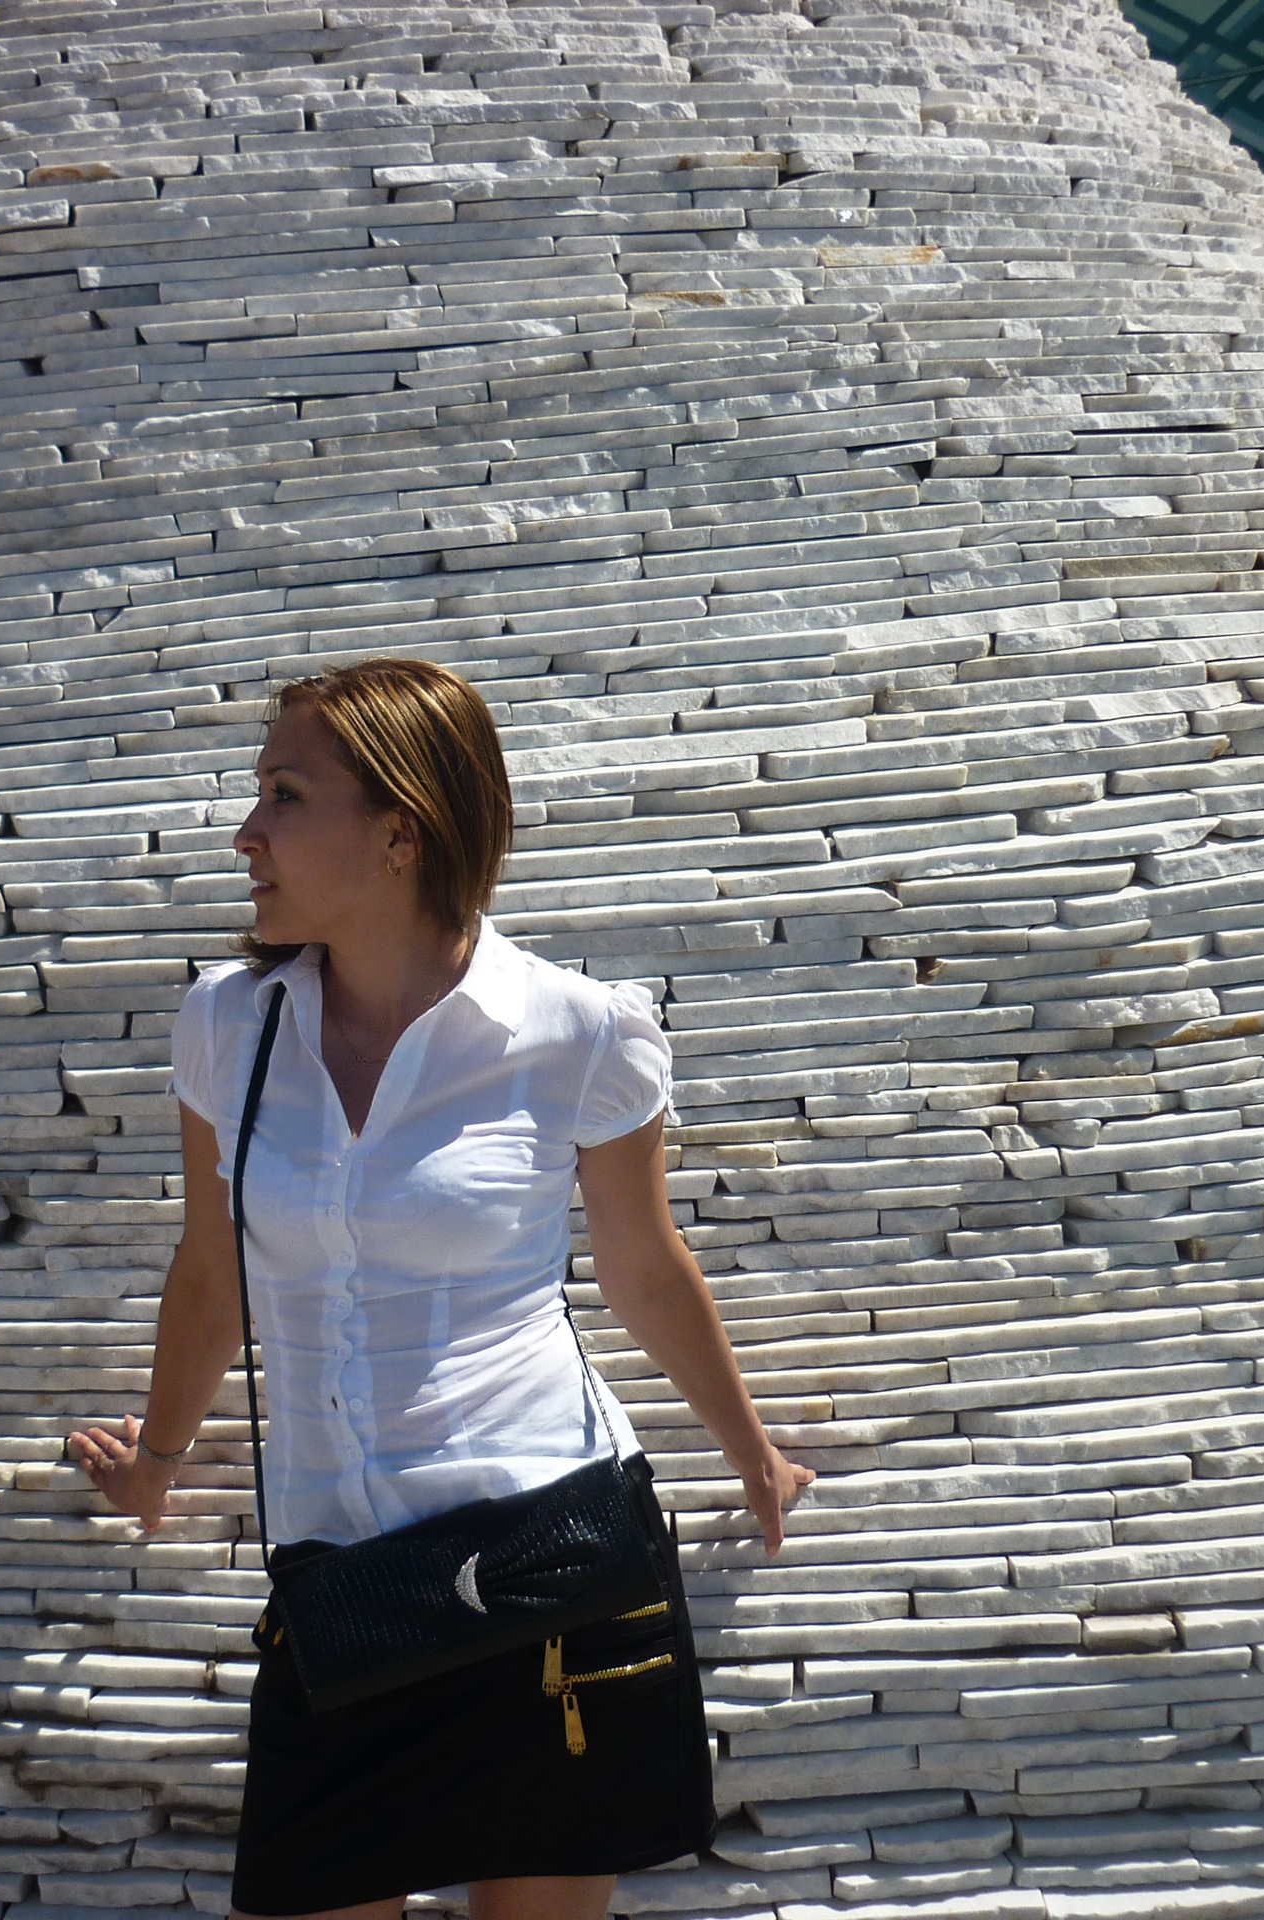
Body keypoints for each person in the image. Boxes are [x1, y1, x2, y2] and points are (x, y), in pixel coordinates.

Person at [67, 657, 816, 1920]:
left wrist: (751, 1453)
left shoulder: (579, 1030)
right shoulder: (227, 1026)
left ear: (400, 833)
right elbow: (210, 1270)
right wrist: (158, 1464)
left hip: (543, 1559)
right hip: (340, 1584)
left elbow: (642, 1266)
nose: (246, 833)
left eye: (284, 795)